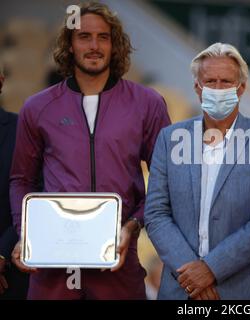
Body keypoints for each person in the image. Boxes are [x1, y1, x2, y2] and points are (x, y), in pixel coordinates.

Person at [9, 2, 170, 299]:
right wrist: (26, 232)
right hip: (52, 265)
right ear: (69, 45)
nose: (94, 46)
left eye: (103, 37)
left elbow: (166, 181)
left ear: (114, 45)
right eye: (84, 37)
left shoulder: (147, 104)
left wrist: (132, 226)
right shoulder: (37, 107)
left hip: (118, 260)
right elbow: (21, 180)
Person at [144, 42, 250, 300]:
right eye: (210, 81)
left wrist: (211, 269)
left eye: (226, 81)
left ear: (241, 88)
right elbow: (156, 213)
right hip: (181, 288)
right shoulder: (170, 138)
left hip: (247, 291)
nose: (218, 88)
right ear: (197, 87)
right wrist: (192, 274)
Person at [0, 63, 29, 299]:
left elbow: (33, 194)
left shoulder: (22, 129)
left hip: (11, 270)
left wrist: (1, 254)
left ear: (1, 81)